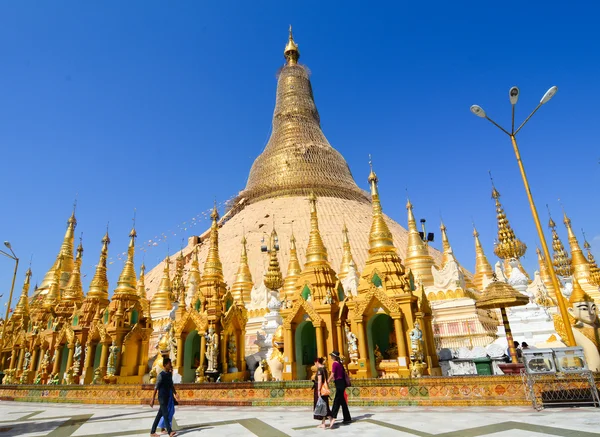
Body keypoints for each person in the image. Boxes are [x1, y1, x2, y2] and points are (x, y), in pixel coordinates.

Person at [150, 357, 177, 437]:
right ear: (165, 365)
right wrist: (152, 399)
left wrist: (175, 393)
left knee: (159, 415)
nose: (170, 365)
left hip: (167, 397)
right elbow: (156, 388)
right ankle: (169, 431)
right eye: (169, 364)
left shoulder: (169, 374)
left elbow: (171, 385)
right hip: (161, 397)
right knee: (165, 413)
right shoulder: (160, 375)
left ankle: (152, 432)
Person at [327, 351, 351, 428]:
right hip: (342, 383)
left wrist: (328, 380)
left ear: (334, 357)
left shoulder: (335, 364)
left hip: (339, 383)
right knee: (342, 401)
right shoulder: (340, 364)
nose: (331, 357)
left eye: (332, 356)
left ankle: (333, 416)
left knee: (337, 400)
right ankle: (347, 417)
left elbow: (333, 374)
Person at [313, 357, 332, 428]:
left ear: (317, 362)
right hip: (324, 390)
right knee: (323, 405)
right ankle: (323, 423)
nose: (315, 365)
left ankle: (331, 418)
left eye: (315, 363)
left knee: (323, 405)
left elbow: (320, 381)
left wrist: (318, 390)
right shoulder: (325, 369)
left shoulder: (320, 370)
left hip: (321, 390)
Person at [158, 366, 176, 435]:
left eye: (172, 369)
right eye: (171, 369)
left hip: (170, 395)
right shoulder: (164, 375)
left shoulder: (169, 376)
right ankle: (165, 428)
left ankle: (165, 427)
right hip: (166, 395)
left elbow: (171, 385)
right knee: (166, 411)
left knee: (171, 410)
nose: (172, 370)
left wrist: (174, 394)